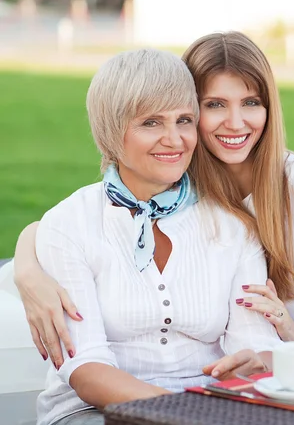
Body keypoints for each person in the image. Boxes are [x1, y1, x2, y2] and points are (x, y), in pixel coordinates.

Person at [11, 31, 294, 369]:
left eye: (251, 103)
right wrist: (28, 269)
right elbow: (91, 217)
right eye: (215, 105)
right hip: (253, 370)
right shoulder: (183, 183)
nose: (236, 123)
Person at [31, 48, 281, 425]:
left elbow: (256, 342)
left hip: (212, 405)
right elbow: (85, 368)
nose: (174, 139)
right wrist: (187, 414)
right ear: (112, 131)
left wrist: (254, 361)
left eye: (183, 120)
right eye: (151, 123)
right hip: (93, 411)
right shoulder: (70, 223)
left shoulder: (233, 225)